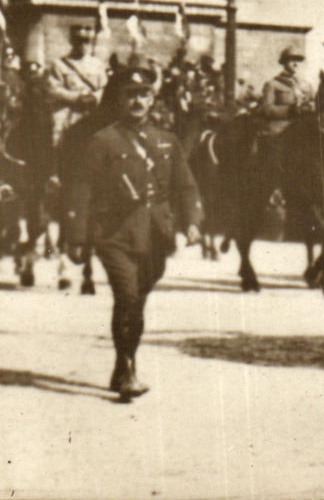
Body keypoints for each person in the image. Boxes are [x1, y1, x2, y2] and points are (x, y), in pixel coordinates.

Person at [66, 64, 203, 401]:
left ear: (153, 98)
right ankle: (128, 371)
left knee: (136, 303)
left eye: (144, 94)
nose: (137, 101)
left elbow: (185, 187)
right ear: (120, 99)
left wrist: (193, 222)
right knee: (127, 297)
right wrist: (77, 237)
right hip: (114, 233)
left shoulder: (167, 142)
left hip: (157, 235)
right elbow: (82, 190)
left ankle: (122, 361)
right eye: (130, 95)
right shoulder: (102, 141)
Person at [259, 46, 313, 171]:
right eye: (291, 60)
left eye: (298, 60)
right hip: (280, 128)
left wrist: (310, 106)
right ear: (283, 63)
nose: (295, 63)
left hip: (302, 126)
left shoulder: (306, 85)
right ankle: (276, 186)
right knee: (275, 151)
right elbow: (267, 109)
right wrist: (290, 110)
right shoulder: (272, 84)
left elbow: (313, 103)